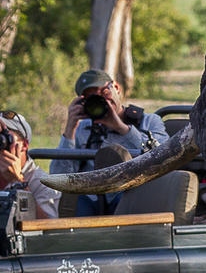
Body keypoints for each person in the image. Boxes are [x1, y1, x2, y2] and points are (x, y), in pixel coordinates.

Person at [52, 68, 168, 215]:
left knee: (128, 199)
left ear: (116, 88)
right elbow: (59, 176)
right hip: (91, 198)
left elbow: (165, 157)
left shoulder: (149, 121)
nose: (103, 102)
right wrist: (69, 130)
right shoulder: (82, 128)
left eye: (104, 93)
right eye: (93, 99)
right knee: (74, 201)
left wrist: (122, 128)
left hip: (132, 193)